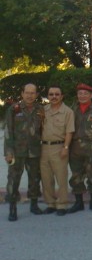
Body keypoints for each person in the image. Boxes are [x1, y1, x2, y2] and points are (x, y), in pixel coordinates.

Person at [4, 83, 45, 221]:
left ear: (36, 95)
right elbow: (8, 132)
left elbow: (43, 130)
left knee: (34, 179)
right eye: (27, 92)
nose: (29, 95)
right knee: (13, 180)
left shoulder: (40, 110)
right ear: (22, 94)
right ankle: (12, 208)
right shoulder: (14, 109)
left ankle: (34, 205)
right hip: (17, 151)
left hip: (34, 151)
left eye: (32, 93)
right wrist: (8, 152)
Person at [67, 83, 92, 214]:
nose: (82, 96)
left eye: (85, 93)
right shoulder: (71, 110)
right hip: (75, 148)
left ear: (91, 95)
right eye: (80, 93)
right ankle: (78, 202)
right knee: (76, 176)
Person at [40, 86, 75, 216]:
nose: (54, 96)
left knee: (61, 178)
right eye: (51, 94)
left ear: (62, 96)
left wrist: (66, 147)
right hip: (43, 148)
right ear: (48, 96)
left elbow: (69, 131)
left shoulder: (67, 112)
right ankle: (50, 203)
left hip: (59, 147)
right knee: (46, 178)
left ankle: (62, 204)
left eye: (57, 94)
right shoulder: (43, 111)